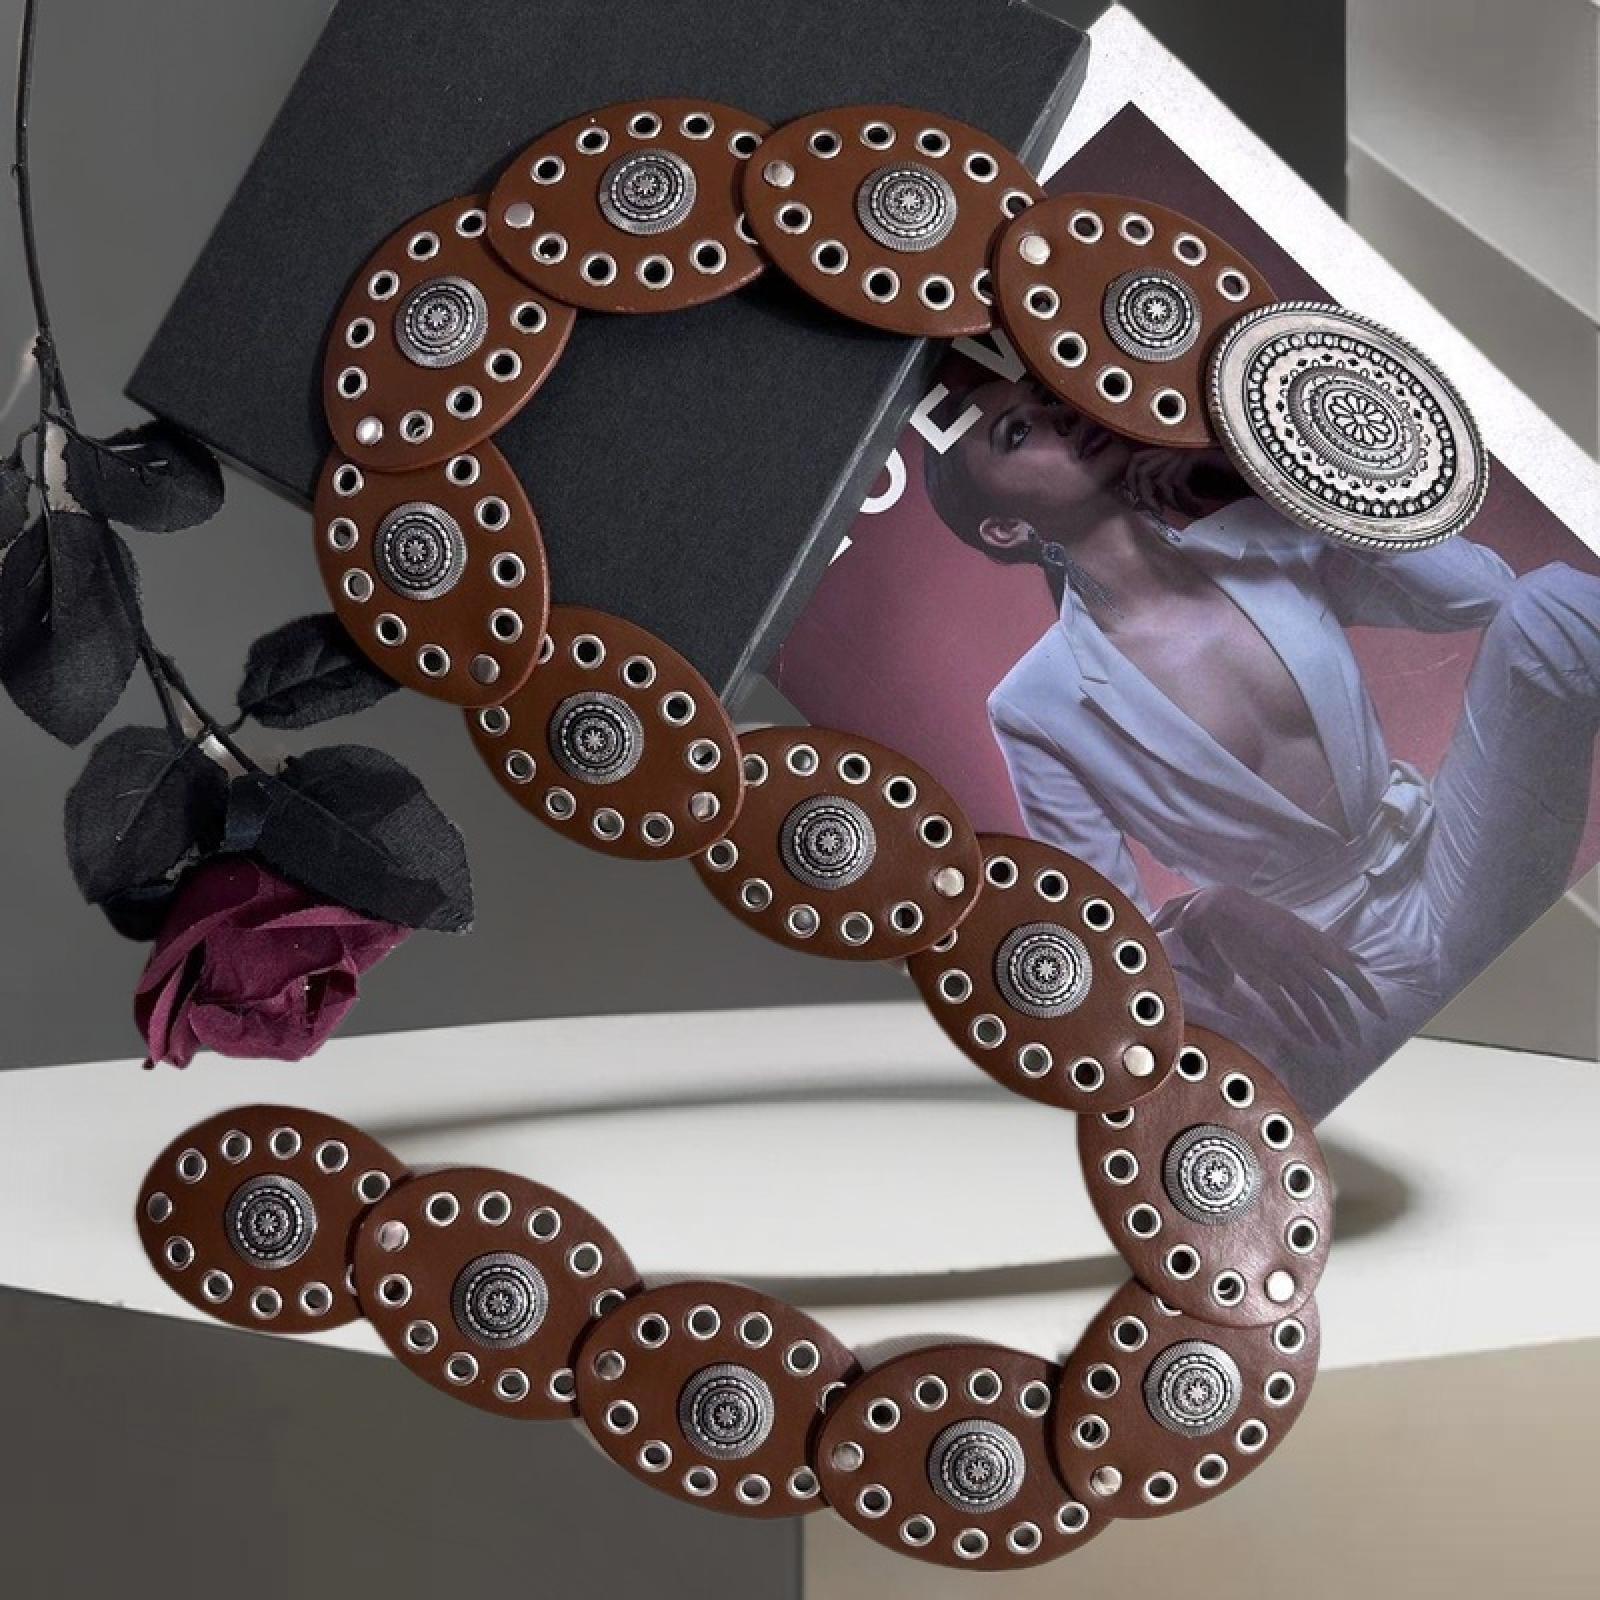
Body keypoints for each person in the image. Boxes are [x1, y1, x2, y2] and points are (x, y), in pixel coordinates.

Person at [924, 374, 1600, 1099]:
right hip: (1330, 982)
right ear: (1008, 530)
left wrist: (1280, 487)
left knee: (1554, 605)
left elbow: (1487, 595)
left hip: (1461, 862)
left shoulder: (1259, 537)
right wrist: (1203, 915)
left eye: (1050, 401)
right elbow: (1104, 937)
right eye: (1018, 434)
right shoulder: (1036, 704)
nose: (1059, 418)